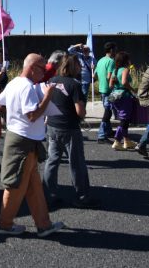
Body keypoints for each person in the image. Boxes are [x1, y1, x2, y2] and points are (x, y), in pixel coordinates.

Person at [0, 53, 64, 237]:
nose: (44, 73)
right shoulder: (27, 87)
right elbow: (32, 115)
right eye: (42, 69)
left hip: (24, 141)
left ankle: (44, 225)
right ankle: (4, 224)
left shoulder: (14, 83)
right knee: (16, 185)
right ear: (32, 68)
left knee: (33, 186)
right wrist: (48, 96)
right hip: (23, 143)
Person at [43, 55, 100, 208]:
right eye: (78, 65)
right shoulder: (74, 84)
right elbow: (79, 111)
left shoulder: (52, 80)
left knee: (52, 160)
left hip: (53, 125)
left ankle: (48, 194)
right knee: (77, 163)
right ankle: (82, 196)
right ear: (73, 67)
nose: (80, 67)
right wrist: (83, 113)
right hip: (69, 127)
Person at [109, 51, 138, 150]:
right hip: (125, 97)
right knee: (124, 120)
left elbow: (110, 85)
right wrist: (133, 89)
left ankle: (126, 141)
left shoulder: (115, 70)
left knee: (123, 119)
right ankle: (117, 141)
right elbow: (124, 82)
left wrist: (117, 87)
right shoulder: (125, 70)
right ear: (125, 60)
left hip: (115, 96)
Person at [95, 42, 116, 143]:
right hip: (109, 90)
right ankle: (101, 135)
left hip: (102, 89)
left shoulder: (100, 60)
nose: (115, 52)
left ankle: (109, 131)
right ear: (111, 50)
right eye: (115, 49)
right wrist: (116, 82)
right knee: (108, 112)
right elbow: (109, 77)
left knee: (108, 110)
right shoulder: (111, 61)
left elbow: (94, 76)